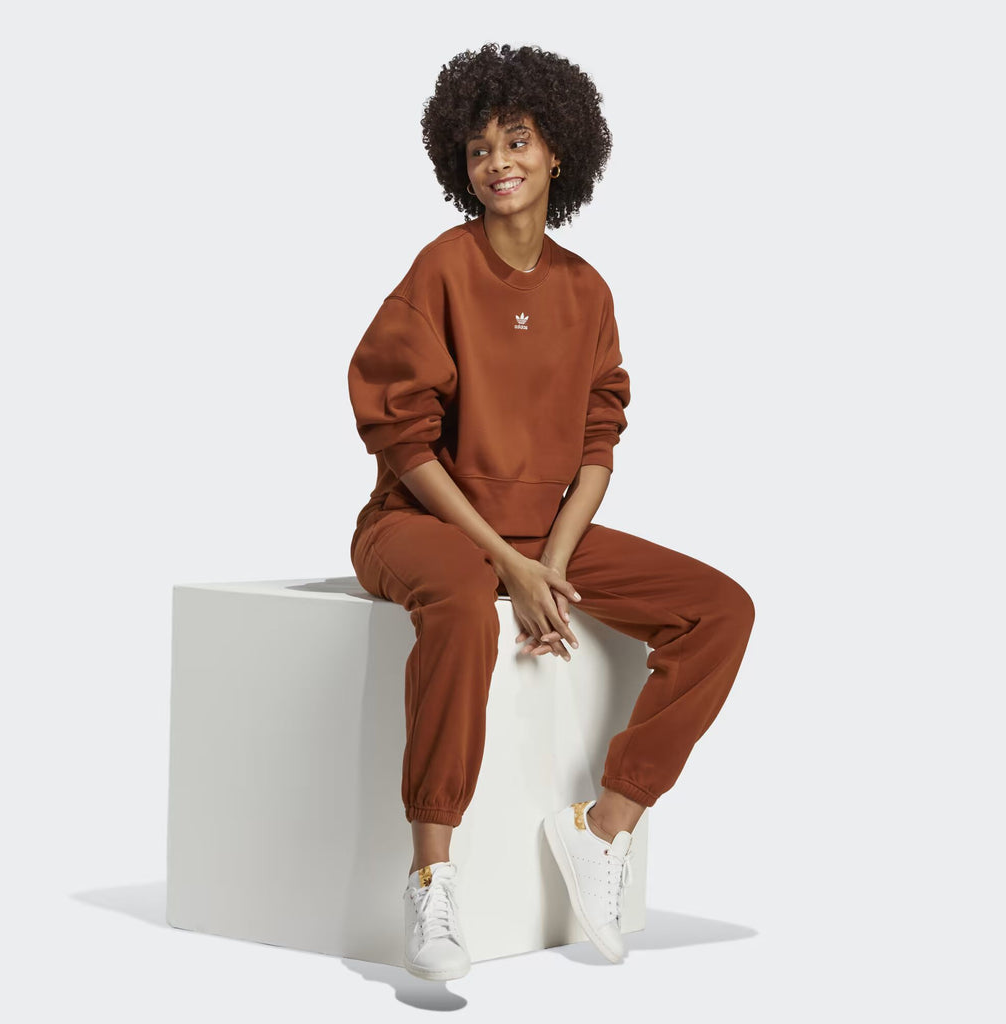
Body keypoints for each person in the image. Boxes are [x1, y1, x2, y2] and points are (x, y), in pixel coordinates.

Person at [347, 43, 754, 982]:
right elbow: (402, 439)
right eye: (479, 148)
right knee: (462, 598)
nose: (498, 162)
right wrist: (508, 564)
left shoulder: (585, 290)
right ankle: (432, 877)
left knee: (720, 609)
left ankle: (605, 826)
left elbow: (599, 439)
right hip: (419, 522)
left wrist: (552, 563)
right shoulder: (442, 269)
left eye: (518, 140)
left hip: (539, 537)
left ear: (559, 150)